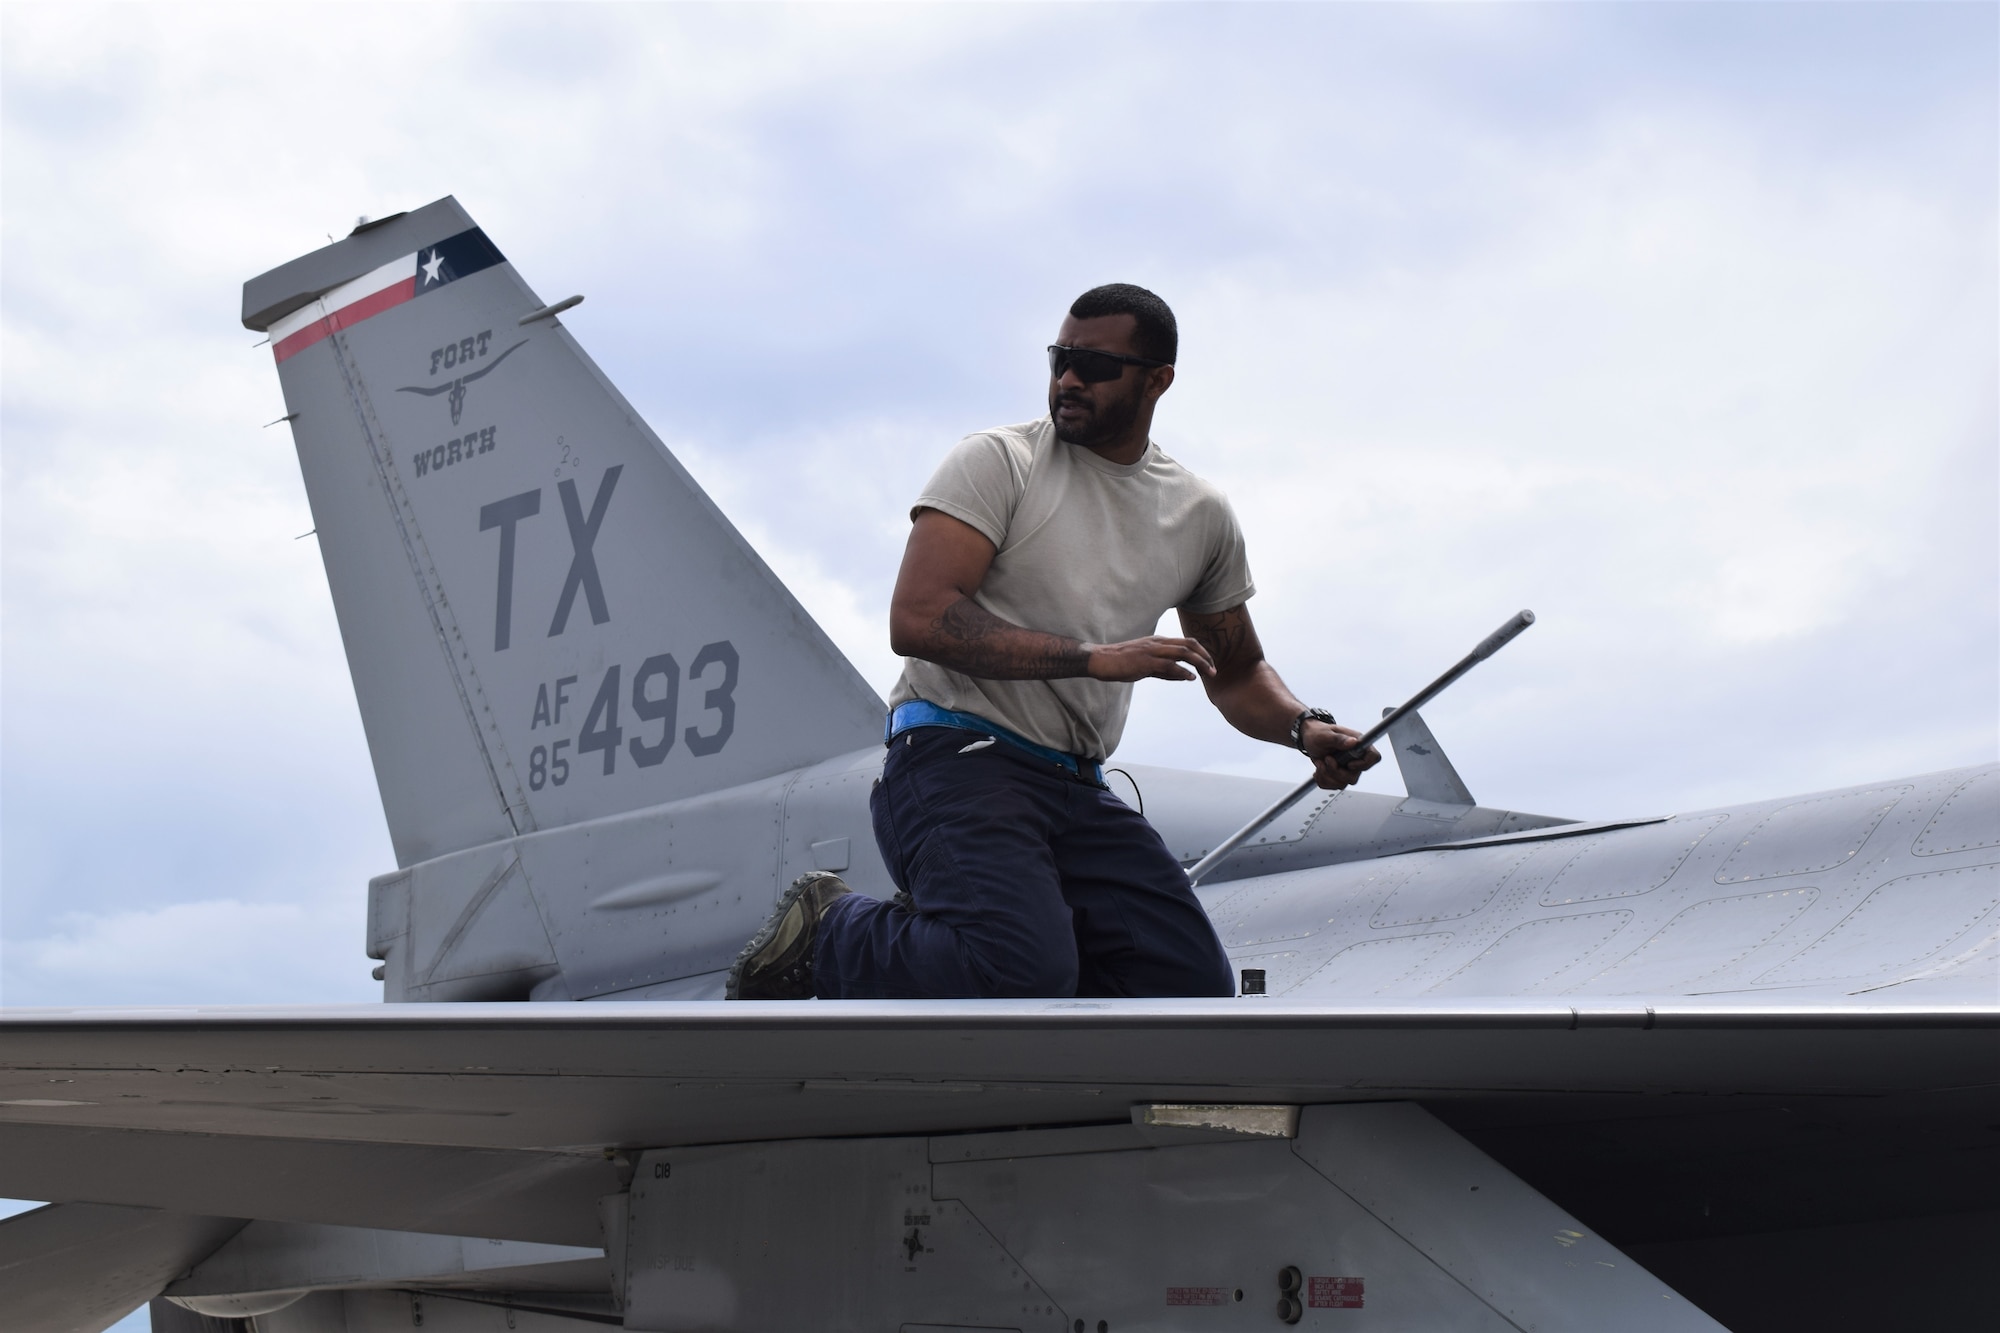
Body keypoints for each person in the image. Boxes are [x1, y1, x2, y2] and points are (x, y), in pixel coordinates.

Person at [727, 283, 1379, 1001]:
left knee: (1186, 987)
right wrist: (1093, 659)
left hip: (1073, 783)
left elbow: (1237, 667)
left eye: (1095, 366)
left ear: (1157, 379)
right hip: (954, 757)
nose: (1068, 379)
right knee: (1016, 970)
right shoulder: (997, 462)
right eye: (1060, 358)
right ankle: (831, 930)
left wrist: (1302, 727)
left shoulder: (1199, 515)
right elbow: (918, 617)